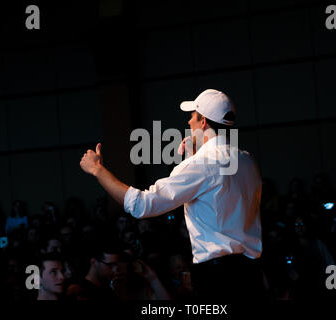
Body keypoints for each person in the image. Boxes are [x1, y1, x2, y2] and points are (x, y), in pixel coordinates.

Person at [80, 89, 263, 300]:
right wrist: (193, 157)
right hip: (251, 275)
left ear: (203, 122)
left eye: (192, 116)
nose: (188, 122)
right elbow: (219, 198)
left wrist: (97, 170)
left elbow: (141, 205)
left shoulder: (201, 164)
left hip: (218, 278)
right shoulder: (248, 161)